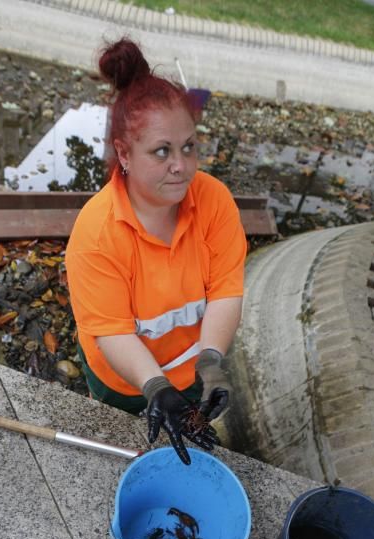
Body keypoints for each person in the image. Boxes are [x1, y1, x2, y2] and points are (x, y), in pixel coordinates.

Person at [65, 38, 247, 465]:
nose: (181, 166)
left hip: (191, 369)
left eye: (188, 147)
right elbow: (112, 332)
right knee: (126, 445)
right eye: (162, 151)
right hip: (122, 378)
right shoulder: (96, 235)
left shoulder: (215, 202)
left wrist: (212, 362)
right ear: (124, 154)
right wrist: (154, 387)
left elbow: (225, 290)